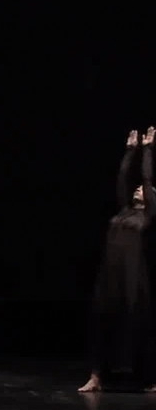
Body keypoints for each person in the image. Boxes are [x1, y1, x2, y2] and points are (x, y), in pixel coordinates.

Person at [80, 128, 156, 393]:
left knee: (138, 324)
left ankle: (150, 379)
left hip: (133, 278)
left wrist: (148, 149)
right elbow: (123, 179)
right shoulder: (124, 211)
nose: (138, 189)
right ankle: (96, 377)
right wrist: (130, 151)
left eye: (143, 190)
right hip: (110, 276)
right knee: (101, 320)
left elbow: (146, 178)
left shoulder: (147, 216)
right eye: (138, 189)